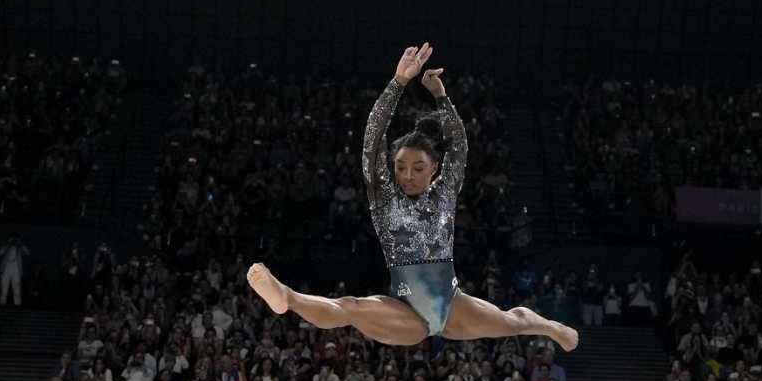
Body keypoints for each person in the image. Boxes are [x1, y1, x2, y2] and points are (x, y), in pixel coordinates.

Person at [246, 44, 579, 352]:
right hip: (404, 310)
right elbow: (372, 141)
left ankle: (550, 326)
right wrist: (397, 83)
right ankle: (286, 297)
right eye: (400, 168)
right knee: (352, 307)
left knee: (513, 322)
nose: (407, 175)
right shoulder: (385, 198)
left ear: (433, 169)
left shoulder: (445, 192)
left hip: (452, 304)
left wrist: (441, 97)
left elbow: (459, 147)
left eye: (418, 168)